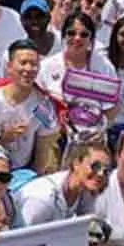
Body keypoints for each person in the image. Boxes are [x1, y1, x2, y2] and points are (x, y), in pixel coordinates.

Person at [42, 12, 118, 148]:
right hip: (55, 138)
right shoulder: (46, 66)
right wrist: (54, 123)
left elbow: (112, 107)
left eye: (84, 34)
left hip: (93, 139)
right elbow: (37, 104)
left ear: (91, 39)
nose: (77, 38)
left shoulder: (104, 66)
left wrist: (102, 129)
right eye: (71, 33)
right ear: (64, 35)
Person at [0, 41, 59, 176]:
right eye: (23, 63)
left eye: (34, 64)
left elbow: (44, 149)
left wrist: (33, 179)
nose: (28, 69)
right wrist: (3, 139)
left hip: (22, 174)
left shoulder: (43, 106)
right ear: (9, 67)